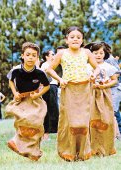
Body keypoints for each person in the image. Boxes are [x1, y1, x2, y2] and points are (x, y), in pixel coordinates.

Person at [46, 26, 100, 161]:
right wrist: (60, 80)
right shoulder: (61, 53)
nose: (75, 39)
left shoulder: (87, 52)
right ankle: (68, 152)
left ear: (82, 40)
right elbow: (49, 69)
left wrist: (94, 74)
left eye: (78, 37)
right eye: (72, 37)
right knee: (70, 122)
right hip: (68, 89)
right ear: (66, 40)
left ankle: (83, 153)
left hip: (84, 89)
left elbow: (97, 67)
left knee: (83, 122)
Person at [6, 42, 50, 161]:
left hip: (35, 100)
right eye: (28, 55)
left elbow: (47, 86)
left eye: (33, 55)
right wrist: (15, 93)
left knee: (36, 125)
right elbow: (10, 80)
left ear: (37, 58)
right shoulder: (16, 71)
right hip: (21, 99)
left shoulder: (40, 73)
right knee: (23, 123)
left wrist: (38, 95)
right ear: (22, 56)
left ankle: (34, 152)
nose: (30, 57)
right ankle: (16, 143)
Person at [85, 42, 117, 156]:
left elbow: (114, 80)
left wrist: (105, 86)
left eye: (101, 53)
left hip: (104, 95)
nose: (98, 55)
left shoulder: (109, 67)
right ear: (91, 54)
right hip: (90, 94)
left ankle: (106, 147)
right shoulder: (87, 67)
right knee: (91, 119)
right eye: (95, 53)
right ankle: (92, 147)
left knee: (106, 119)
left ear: (105, 54)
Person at [40, 50, 59, 140]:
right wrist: (59, 79)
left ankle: (52, 132)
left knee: (54, 109)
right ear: (47, 57)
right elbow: (47, 76)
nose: (53, 56)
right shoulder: (45, 65)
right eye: (52, 54)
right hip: (50, 87)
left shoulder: (50, 65)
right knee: (50, 110)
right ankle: (46, 134)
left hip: (53, 87)